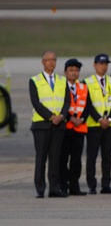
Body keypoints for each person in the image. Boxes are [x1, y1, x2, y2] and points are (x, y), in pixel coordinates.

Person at [29, 50, 68, 198]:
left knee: (55, 158)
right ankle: (40, 188)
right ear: (42, 62)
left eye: (54, 60)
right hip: (41, 125)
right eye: (48, 60)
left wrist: (61, 116)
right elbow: (36, 102)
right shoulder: (35, 80)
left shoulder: (62, 80)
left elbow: (67, 101)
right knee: (41, 158)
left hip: (58, 125)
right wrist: (51, 117)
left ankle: (54, 188)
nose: (51, 62)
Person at [85, 53, 111, 195]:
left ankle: (106, 184)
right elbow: (87, 104)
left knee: (107, 156)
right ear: (94, 65)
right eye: (100, 64)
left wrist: (109, 119)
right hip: (93, 124)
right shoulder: (86, 82)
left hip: (109, 125)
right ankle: (92, 184)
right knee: (91, 156)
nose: (103, 67)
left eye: (105, 64)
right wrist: (99, 119)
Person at [59, 58, 91, 196]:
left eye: (76, 70)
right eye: (71, 70)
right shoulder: (60, 87)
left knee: (76, 160)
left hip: (79, 128)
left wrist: (82, 118)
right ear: (65, 72)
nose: (74, 73)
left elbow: (88, 105)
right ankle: (63, 185)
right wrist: (70, 118)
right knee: (63, 158)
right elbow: (59, 105)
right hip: (65, 128)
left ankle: (74, 185)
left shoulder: (83, 87)